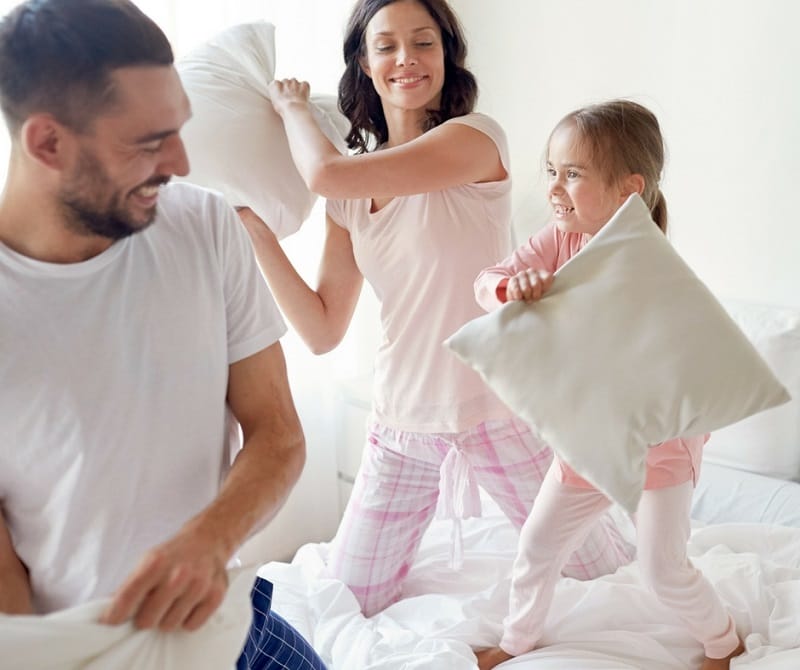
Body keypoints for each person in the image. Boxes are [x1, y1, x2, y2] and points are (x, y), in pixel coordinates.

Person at [237, 0, 633, 618]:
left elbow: (326, 174)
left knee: (607, 579)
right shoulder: (349, 197)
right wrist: (255, 232)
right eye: (387, 46)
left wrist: (291, 106)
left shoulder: (475, 140)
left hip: (497, 411)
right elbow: (320, 330)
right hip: (400, 424)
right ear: (365, 64)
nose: (406, 60)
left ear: (446, 54)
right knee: (349, 600)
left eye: (423, 43)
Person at [0, 1, 326, 668]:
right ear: (48, 144)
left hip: (227, 613)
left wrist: (209, 541)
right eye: (149, 142)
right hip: (88, 647)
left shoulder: (206, 226)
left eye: (179, 129)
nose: (180, 161)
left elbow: (279, 432)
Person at [472, 99, 746, 670]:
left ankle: (725, 644)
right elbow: (487, 281)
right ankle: (517, 643)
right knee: (537, 546)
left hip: (660, 445)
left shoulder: (652, 268)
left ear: (627, 190)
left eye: (572, 175)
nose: (554, 187)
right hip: (590, 440)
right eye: (551, 170)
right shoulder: (557, 239)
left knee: (662, 569)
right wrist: (509, 287)